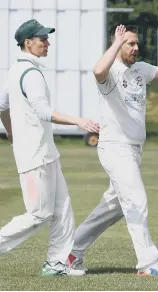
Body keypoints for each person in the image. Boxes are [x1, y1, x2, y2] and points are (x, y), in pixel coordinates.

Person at [67, 24, 158, 276]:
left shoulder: (141, 69)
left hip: (134, 149)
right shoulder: (110, 72)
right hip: (114, 147)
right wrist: (117, 43)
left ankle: (70, 250)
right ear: (118, 45)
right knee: (136, 201)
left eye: (136, 43)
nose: (135, 47)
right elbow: (97, 70)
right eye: (130, 43)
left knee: (114, 205)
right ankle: (147, 263)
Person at [0, 19, 100, 276]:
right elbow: (43, 112)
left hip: (45, 152)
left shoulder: (16, 70)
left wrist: (10, 130)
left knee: (62, 209)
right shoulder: (30, 74)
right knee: (39, 214)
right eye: (42, 39)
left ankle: (56, 263)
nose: (47, 43)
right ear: (27, 42)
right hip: (35, 156)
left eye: (46, 38)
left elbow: (2, 105)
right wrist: (78, 120)